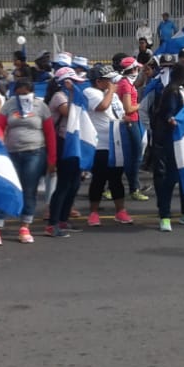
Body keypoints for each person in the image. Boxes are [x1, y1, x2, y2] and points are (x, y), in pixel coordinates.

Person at [0, 76, 57, 245]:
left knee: (29, 190)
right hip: (12, 153)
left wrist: (52, 159)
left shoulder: (41, 106)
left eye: (26, 93)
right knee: (6, 188)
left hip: (35, 152)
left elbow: (50, 134)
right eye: (19, 93)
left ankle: (25, 226)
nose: (22, 96)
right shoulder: (10, 104)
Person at [150, 60, 184, 231]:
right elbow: (169, 114)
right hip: (174, 142)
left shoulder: (181, 90)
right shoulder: (172, 91)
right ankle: (165, 216)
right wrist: (174, 120)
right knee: (170, 179)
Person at [85, 64, 133, 226]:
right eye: (108, 80)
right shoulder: (91, 92)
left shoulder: (111, 95)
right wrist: (111, 92)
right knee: (99, 179)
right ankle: (93, 212)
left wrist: (125, 120)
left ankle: (120, 211)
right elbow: (101, 107)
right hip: (100, 143)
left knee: (116, 178)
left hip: (116, 141)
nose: (112, 82)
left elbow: (118, 113)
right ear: (99, 81)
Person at [44, 67, 85, 238]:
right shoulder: (59, 97)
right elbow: (70, 112)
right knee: (64, 184)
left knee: (74, 183)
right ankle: (53, 223)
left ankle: (63, 219)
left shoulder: (69, 95)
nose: (76, 84)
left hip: (71, 142)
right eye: (73, 81)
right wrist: (73, 92)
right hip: (62, 143)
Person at [113, 56, 148, 200]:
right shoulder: (126, 85)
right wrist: (142, 105)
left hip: (133, 121)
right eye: (137, 68)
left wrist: (144, 73)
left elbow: (138, 83)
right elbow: (128, 108)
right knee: (135, 156)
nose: (138, 70)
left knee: (132, 156)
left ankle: (130, 186)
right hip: (130, 121)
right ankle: (134, 188)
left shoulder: (126, 82)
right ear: (132, 69)